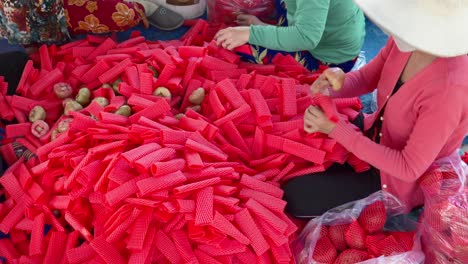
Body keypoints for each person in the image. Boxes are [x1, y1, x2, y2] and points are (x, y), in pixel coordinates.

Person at [283, 0, 468, 217]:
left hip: (395, 181)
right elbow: (367, 77)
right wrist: (334, 85)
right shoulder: (407, 41)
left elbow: (408, 168)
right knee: (294, 154)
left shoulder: (449, 89)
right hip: (373, 134)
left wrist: (336, 130)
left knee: (294, 196)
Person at [214, 0, 366, 72]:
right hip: (323, 31)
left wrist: (251, 32)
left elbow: (305, 38)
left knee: (238, 49)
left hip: (329, 60)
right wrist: (260, 25)